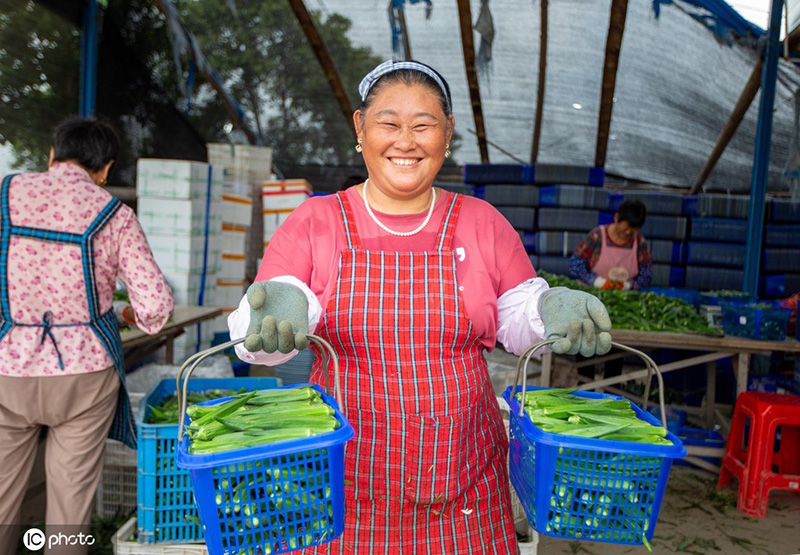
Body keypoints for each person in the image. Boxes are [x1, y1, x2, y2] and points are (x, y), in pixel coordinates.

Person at [228, 60, 613, 554]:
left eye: (424, 125)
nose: (405, 141)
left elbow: (516, 314)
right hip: (344, 483)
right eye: (388, 123)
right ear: (360, 128)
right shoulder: (316, 220)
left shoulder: (481, 221)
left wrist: (550, 306)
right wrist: (276, 309)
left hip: (463, 482)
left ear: (447, 133)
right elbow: (258, 339)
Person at [0, 117, 174, 554]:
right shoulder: (114, 214)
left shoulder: (5, 194)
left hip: (7, 367)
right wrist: (127, 312)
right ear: (105, 169)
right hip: (84, 373)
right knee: (70, 504)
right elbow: (155, 305)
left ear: (52, 155)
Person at [569, 199, 652, 291]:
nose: (628, 232)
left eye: (634, 229)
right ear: (616, 218)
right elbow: (575, 264)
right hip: (593, 290)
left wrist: (629, 285)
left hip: (625, 296)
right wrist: (596, 281)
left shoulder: (640, 243)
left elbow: (646, 275)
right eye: (626, 227)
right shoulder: (597, 236)